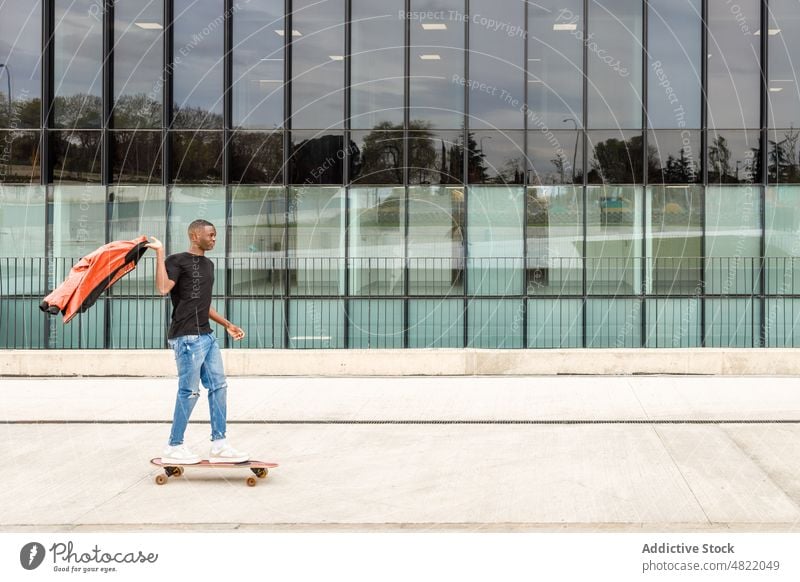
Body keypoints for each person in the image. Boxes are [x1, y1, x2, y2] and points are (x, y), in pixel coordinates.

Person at [146, 219, 249, 464]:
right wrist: (160, 253)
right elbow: (162, 288)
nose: (214, 239)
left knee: (219, 387)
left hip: (207, 335)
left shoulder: (208, 264)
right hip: (187, 336)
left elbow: (203, 304)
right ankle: (174, 446)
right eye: (210, 235)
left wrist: (227, 324)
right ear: (195, 236)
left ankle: (220, 444)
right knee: (189, 392)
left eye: (215, 235)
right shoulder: (176, 260)